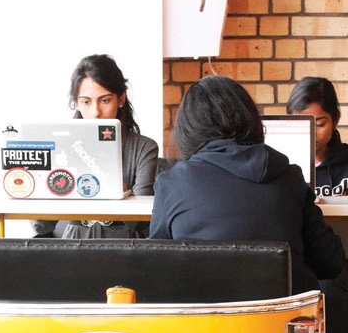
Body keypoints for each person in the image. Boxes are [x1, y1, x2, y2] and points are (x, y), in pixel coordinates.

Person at [149, 75, 345, 294]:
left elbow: (156, 267)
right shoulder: (290, 176)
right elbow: (331, 263)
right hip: (284, 323)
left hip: (204, 325)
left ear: (189, 129)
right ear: (249, 118)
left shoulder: (172, 183)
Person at [31, 54, 158, 239]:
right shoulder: (61, 146)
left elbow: (139, 222)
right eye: (86, 101)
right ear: (76, 103)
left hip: (125, 250)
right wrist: (42, 184)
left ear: (121, 98)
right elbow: (41, 227)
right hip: (73, 248)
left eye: (105, 100)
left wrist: (119, 192)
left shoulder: (144, 148)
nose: (96, 112)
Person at [287, 77, 348, 198]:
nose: (311, 132)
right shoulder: (282, 166)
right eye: (302, 124)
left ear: (335, 120)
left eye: (319, 124)